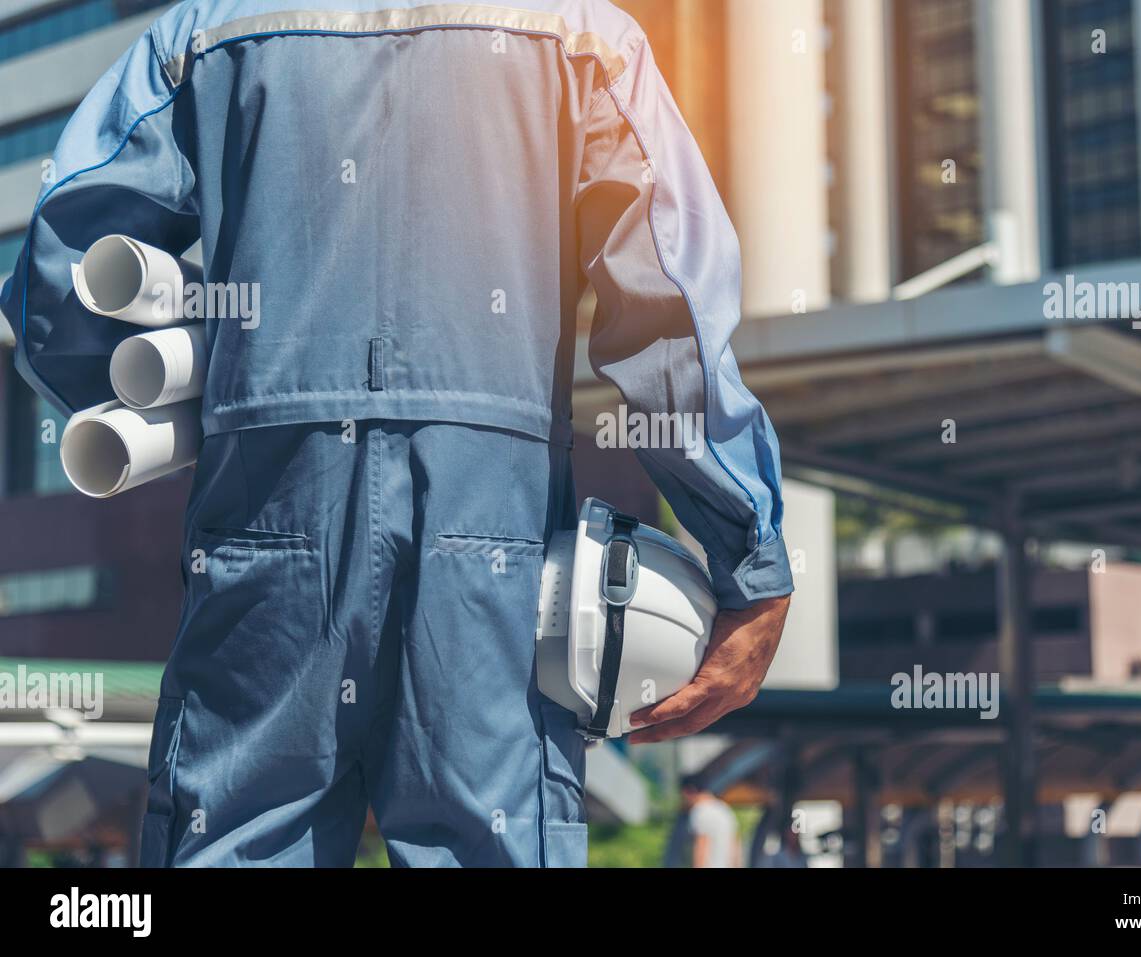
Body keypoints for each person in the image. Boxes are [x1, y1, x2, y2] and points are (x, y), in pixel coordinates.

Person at [0, 0, 793, 867]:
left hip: (267, 519)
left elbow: (57, 276)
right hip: (493, 536)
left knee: (232, 839)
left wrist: (188, 402)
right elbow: (667, 307)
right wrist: (746, 556)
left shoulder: (203, 32)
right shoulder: (581, 35)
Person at [680, 774, 740, 869]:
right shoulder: (724, 809)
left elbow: (701, 845)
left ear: (689, 791)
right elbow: (735, 845)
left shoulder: (700, 811)